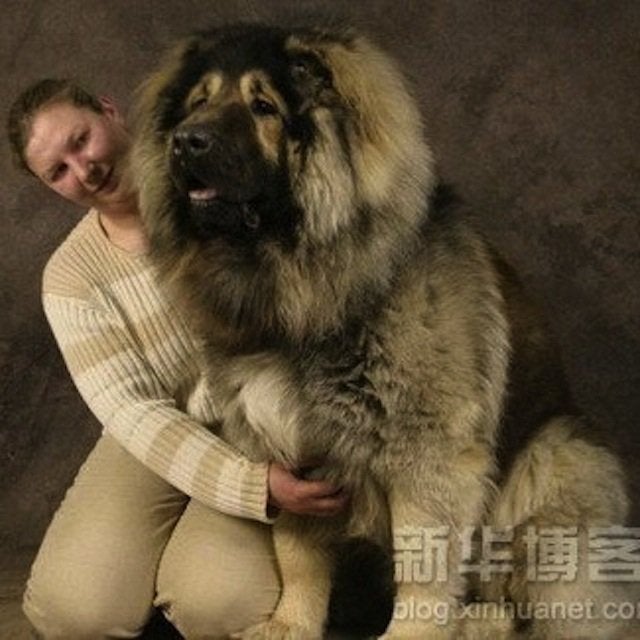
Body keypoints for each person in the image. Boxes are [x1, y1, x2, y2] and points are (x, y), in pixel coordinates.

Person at [7, 78, 350, 639]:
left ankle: (183, 593)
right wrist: (251, 485)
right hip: (156, 429)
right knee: (74, 609)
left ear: (110, 111)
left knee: (220, 601)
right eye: (58, 171)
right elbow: (132, 411)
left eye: (81, 140)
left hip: (260, 422)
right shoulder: (69, 278)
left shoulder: (227, 192)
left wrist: (271, 466)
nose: (84, 169)